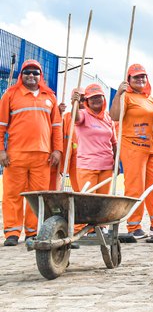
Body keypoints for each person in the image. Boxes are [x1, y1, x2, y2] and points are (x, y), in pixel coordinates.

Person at [0, 60, 63, 246]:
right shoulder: (10, 95)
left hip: (43, 156)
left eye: (35, 73)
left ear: (40, 76)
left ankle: (32, 232)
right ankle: (12, 232)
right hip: (15, 154)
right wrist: (1, 151)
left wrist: (57, 150)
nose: (31, 76)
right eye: (27, 72)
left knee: (38, 197)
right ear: (21, 74)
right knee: (13, 194)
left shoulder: (50, 96)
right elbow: (1, 126)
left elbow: (57, 127)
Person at [109, 63, 153, 239]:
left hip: (150, 148)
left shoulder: (148, 98)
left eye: (143, 76)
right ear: (129, 80)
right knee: (135, 187)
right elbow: (114, 116)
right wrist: (118, 94)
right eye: (136, 77)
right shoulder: (126, 96)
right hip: (132, 146)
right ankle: (134, 226)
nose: (140, 79)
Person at [73, 84, 117, 194]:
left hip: (106, 167)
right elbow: (75, 118)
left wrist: (116, 162)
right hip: (87, 167)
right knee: (88, 204)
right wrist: (74, 104)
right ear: (86, 101)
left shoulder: (108, 118)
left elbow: (114, 143)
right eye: (92, 97)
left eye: (98, 96)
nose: (96, 100)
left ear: (104, 98)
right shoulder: (83, 114)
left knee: (102, 204)